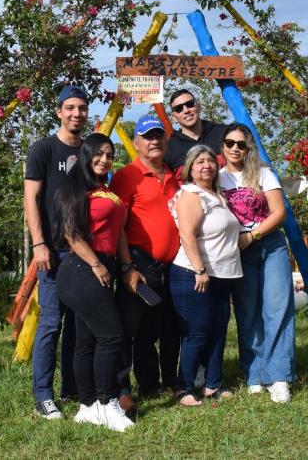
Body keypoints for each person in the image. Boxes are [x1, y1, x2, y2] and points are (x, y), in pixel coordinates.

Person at [53, 133, 135, 432]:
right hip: (82, 269)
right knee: (111, 336)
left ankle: (87, 406)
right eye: (98, 154)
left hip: (104, 266)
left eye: (109, 155)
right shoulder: (72, 190)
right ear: (86, 156)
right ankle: (105, 401)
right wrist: (97, 264)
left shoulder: (106, 190)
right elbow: (71, 234)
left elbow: (119, 231)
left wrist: (125, 265)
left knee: (87, 341)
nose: (104, 160)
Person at [24, 84, 89, 419]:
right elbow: (31, 200)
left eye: (81, 108)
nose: (76, 114)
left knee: (79, 324)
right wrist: (39, 244)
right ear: (59, 111)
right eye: (70, 108)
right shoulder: (43, 150)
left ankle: (74, 388)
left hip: (84, 253)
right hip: (52, 252)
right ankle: (43, 395)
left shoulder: (90, 150)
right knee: (51, 323)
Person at [111, 115, 182, 416]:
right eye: (146, 137)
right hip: (139, 261)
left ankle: (152, 384)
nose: (153, 141)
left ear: (166, 141)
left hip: (171, 267)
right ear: (136, 142)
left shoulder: (174, 175)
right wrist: (127, 267)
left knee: (156, 330)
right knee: (128, 329)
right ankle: (121, 389)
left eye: (158, 136)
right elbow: (117, 226)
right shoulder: (127, 176)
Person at [219, 123, 293, 403]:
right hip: (237, 253)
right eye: (230, 142)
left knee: (277, 309)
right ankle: (254, 373)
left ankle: (279, 376)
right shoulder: (218, 177)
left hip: (269, 246)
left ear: (249, 147)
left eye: (241, 143)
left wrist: (253, 235)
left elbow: (279, 212)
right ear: (222, 145)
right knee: (247, 312)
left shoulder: (262, 173)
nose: (235, 148)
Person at [168, 144, 242, 406]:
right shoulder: (191, 194)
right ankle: (184, 387)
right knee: (197, 333)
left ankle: (213, 384)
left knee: (218, 330)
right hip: (193, 274)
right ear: (190, 168)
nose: (206, 166)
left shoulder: (217, 195)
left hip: (222, 275)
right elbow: (186, 234)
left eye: (210, 161)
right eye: (199, 162)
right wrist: (200, 269)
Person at [165, 89, 229, 172]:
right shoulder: (170, 149)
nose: (186, 110)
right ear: (174, 117)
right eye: (178, 108)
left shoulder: (225, 133)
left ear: (199, 107)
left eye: (189, 104)